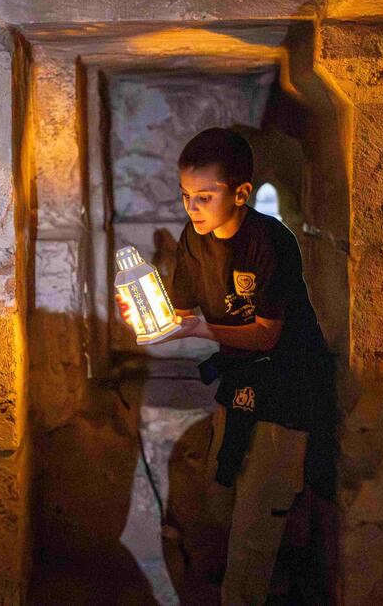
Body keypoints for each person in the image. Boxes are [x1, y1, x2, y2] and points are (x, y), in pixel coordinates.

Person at [117, 127, 334, 605]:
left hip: (287, 386)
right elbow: (183, 315)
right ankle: (283, 550)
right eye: (186, 196)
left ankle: (259, 575)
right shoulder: (194, 239)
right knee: (223, 497)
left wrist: (195, 331)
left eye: (204, 196)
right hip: (238, 383)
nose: (191, 208)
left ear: (240, 193)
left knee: (252, 534)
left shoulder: (270, 243)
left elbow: (266, 333)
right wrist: (147, 313)